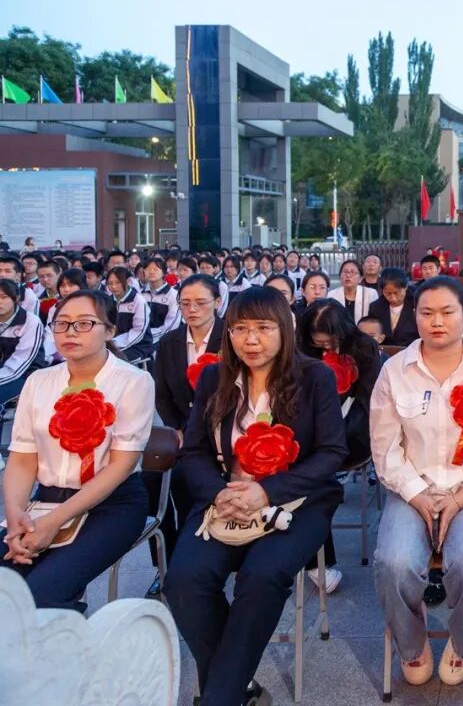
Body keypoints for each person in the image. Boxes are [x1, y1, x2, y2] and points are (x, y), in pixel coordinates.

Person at [164, 287, 348, 705]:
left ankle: (219, 697)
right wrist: (218, 492)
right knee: (184, 580)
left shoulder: (314, 377)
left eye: (263, 328)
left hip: (297, 501)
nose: (251, 340)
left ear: (286, 329)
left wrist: (265, 491)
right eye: (240, 329)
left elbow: (332, 454)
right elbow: (192, 451)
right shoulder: (216, 378)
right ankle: (237, 686)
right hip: (224, 500)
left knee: (262, 577)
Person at [371, 277, 463, 689]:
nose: (437, 321)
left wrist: (459, 498)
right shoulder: (395, 371)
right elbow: (384, 448)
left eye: (447, 312)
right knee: (394, 564)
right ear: (414, 316)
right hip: (411, 488)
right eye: (427, 313)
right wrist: (418, 496)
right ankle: (412, 644)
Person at [1, 290, 154, 611]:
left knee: (40, 596)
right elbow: (22, 458)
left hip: (111, 505)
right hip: (44, 501)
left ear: (110, 330)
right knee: (8, 586)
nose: (70, 332)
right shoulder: (39, 381)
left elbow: (120, 467)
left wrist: (54, 522)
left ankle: (68, 655)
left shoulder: (133, 381)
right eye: (62, 324)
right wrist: (15, 515)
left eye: (84, 324)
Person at [297, 298, 382, 593]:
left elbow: (368, 402)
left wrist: (332, 434)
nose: (326, 350)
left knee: (312, 472)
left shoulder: (364, 348)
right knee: (305, 475)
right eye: (318, 344)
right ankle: (316, 561)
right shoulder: (301, 350)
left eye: (331, 342)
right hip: (309, 430)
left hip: (351, 430)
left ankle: (315, 562)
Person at [150, 274, 224, 597]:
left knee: (191, 482)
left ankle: (201, 557)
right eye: (185, 304)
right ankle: (164, 563)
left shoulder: (231, 338)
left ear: (217, 303)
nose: (192, 310)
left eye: (200, 303)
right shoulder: (169, 342)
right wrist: (177, 429)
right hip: (183, 430)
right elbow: (162, 393)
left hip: (223, 433)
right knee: (153, 483)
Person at [0, 278, 47, 404]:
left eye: (4, 297)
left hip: (23, 374)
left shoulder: (30, 322)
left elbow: (19, 364)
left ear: (16, 298)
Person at [105, 266, 154, 362]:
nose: (114, 286)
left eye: (118, 283)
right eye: (110, 283)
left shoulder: (138, 301)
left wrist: (115, 343)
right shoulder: (108, 300)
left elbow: (138, 331)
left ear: (127, 281)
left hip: (138, 345)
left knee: (112, 360)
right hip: (113, 342)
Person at [43, 269, 88, 364]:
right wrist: (48, 355)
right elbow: (50, 333)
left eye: (71, 285)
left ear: (81, 285)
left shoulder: (92, 306)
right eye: (62, 286)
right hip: (58, 354)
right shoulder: (55, 308)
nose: (66, 289)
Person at [369, 267, 420, 348]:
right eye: (388, 293)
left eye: (396, 293)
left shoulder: (417, 304)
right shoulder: (376, 307)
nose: (393, 297)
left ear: (406, 287)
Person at [327, 259, 378, 326]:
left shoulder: (371, 294)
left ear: (360, 278)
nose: (348, 275)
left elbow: (375, 321)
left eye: (353, 272)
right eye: (345, 272)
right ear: (340, 277)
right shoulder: (332, 295)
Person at [142, 257, 181, 344]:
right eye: (148, 269)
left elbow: (171, 326)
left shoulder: (174, 295)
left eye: (155, 269)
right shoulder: (140, 294)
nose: (151, 272)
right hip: (140, 338)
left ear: (163, 272)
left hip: (164, 340)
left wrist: (145, 336)